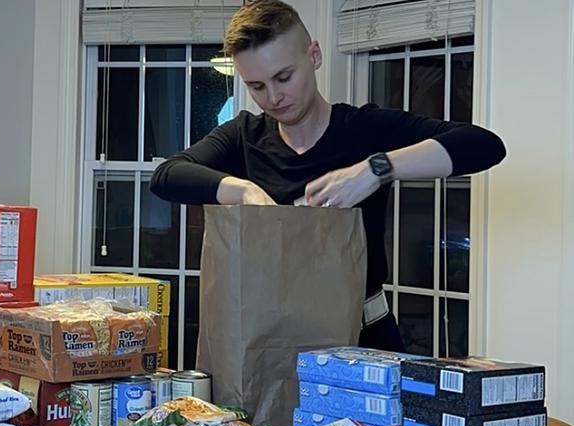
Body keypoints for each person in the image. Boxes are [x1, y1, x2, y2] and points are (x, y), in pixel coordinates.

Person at [150, 0, 506, 352]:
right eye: (256, 86)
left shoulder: (365, 129)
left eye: (284, 77)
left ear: (314, 56)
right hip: (270, 343)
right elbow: (167, 176)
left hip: (365, 336)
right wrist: (243, 191)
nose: (273, 97)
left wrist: (375, 169)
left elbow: (484, 145)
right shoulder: (243, 137)